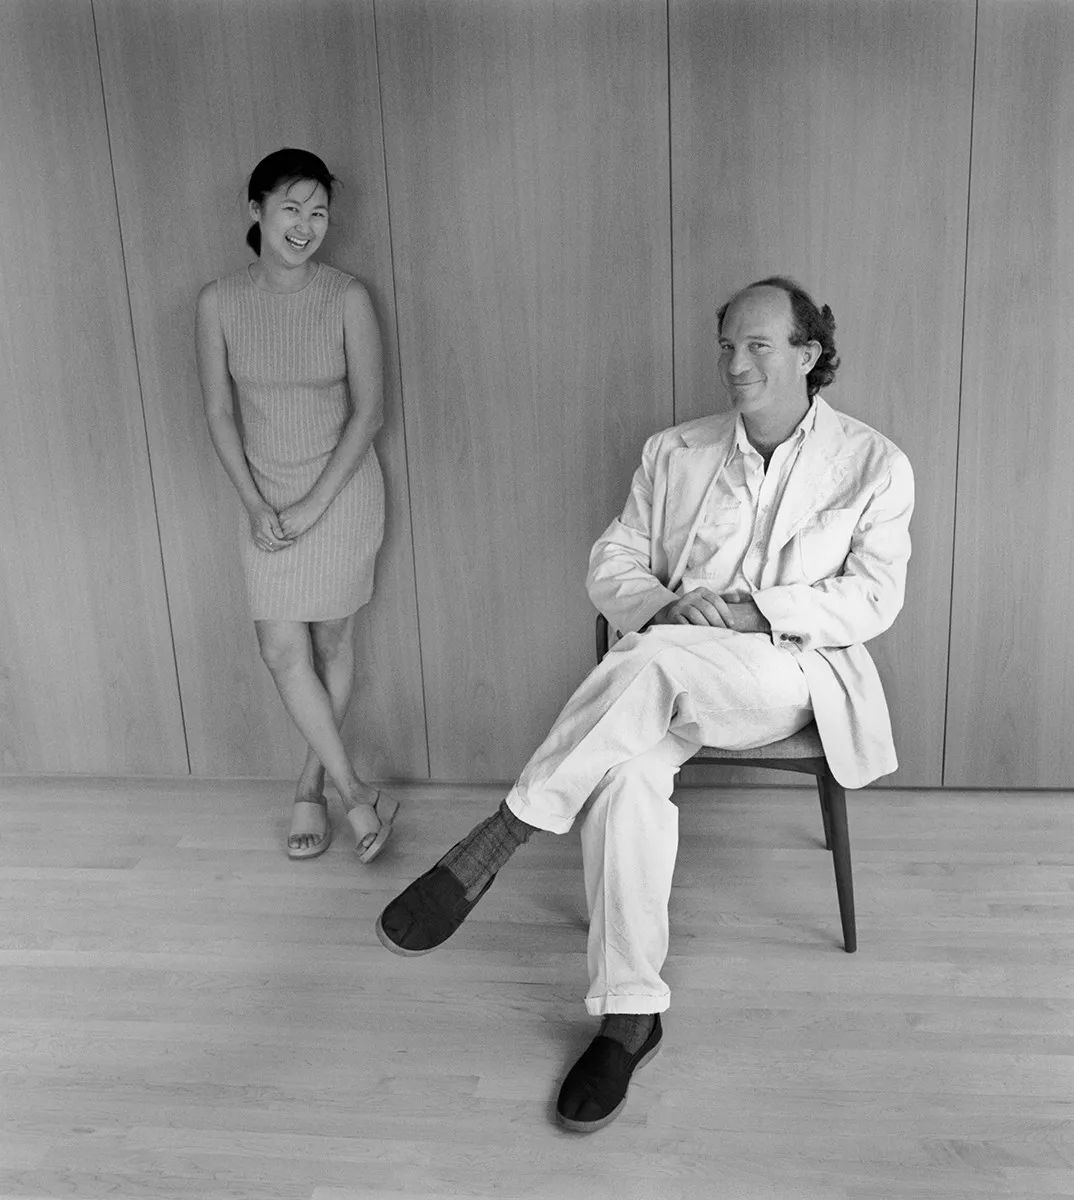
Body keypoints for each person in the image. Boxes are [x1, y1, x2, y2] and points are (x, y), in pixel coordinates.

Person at [375, 277, 914, 1131]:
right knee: (625, 775)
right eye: (727, 346)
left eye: (758, 346)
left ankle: (498, 837)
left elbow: (873, 598)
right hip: (664, 670)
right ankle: (630, 1015)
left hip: (785, 671)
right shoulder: (675, 451)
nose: (735, 364)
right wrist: (667, 606)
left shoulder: (874, 463)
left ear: (808, 354)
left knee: (651, 664)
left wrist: (755, 611)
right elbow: (612, 561)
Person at [196, 148, 398, 863]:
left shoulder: (347, 297)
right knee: (280, 650)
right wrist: (255, 504)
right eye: (291, 208)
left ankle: (312, 787)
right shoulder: (218, 301)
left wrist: (314, 505)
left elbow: (369, 412)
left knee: (332, 643)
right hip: (264, 498)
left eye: (318, 212)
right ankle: (356, 792)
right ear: (256, 210)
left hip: (340, 495)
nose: (305, 225)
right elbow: (219, 413)